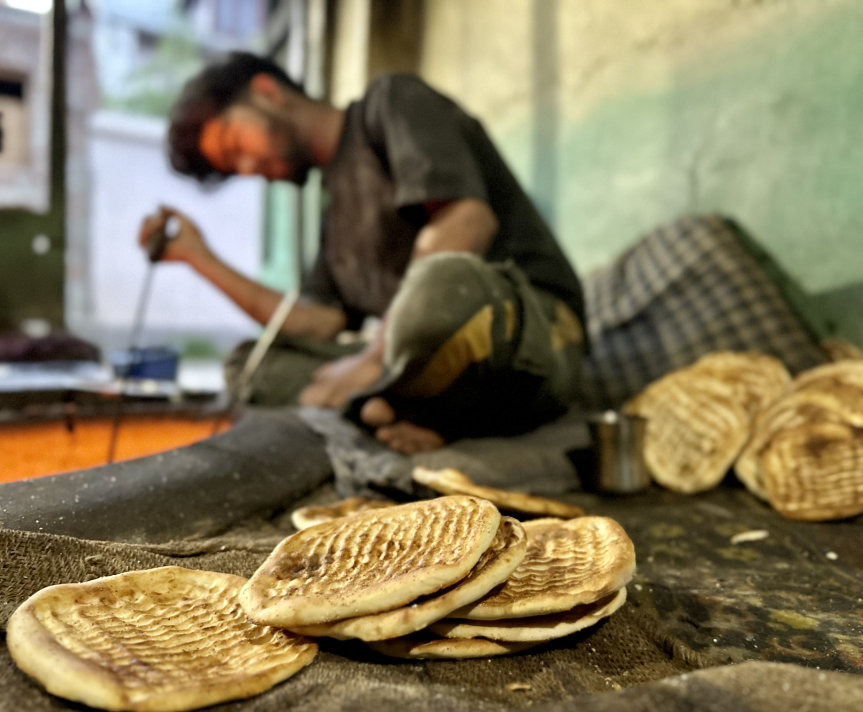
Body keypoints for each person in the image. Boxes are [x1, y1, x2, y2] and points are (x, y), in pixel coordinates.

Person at [139, 53, 585, 455]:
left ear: (267, 92)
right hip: (425, 369)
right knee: (251, 367)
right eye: (232, 169)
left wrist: (371, 359)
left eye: (235, 145)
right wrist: (199, 258)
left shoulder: (390, 102)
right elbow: (316, 323)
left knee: (442, 286)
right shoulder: (335, 217)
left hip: (531, 333)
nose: (248, 169)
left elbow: (467, 220)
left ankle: (382, 401)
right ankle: (408, 410)